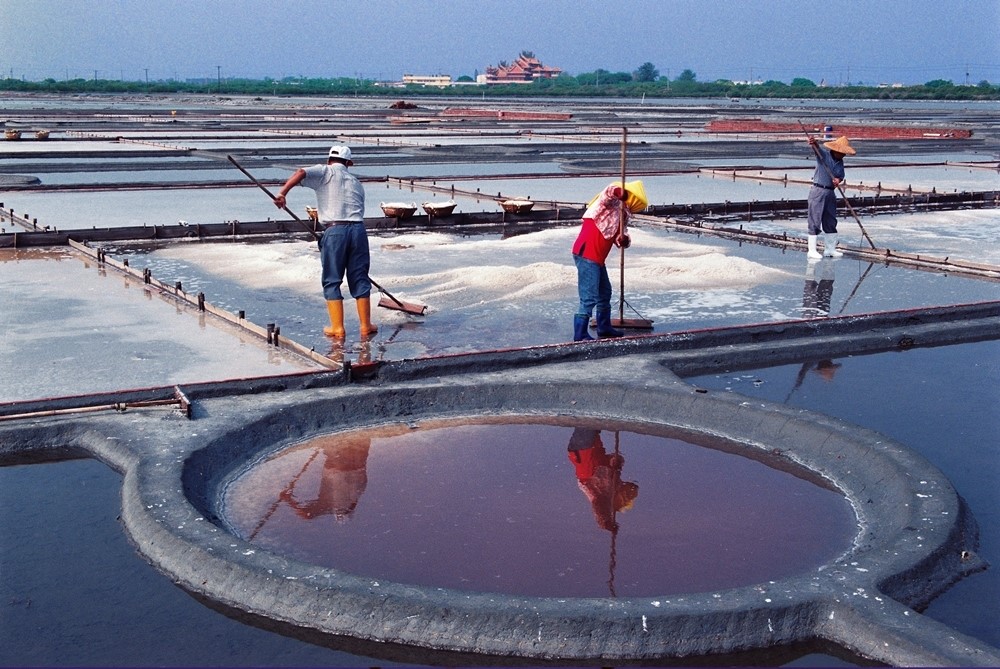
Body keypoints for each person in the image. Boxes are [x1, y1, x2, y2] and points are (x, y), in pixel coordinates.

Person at [273, 145, 377, 339]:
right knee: (360, 277)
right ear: (349, 164)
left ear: (329, 160)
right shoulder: (355, 181)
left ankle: (337, 328)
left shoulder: (325, 171)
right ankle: (365, 326)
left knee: (332, 279)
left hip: (335, 230)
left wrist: (282, 194)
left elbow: (301, 172)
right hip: (358, 231)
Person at [571, 180, 648, 341]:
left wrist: (624, 240)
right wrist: (619, 192)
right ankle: (580, 334)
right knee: (589, 296)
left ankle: (604, 327)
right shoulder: (604, 206)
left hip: (598, 258)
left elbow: (622, 236)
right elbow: (608, 194)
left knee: (604, 292)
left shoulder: (623, 215)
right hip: (587, 254)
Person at [806, 135, 855, 260]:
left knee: (830, 220)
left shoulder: (840, 162)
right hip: (818, 190)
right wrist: (814, 143)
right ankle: (812, 250)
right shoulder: (824, 155)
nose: (843, 155)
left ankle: (830, 249)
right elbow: (816, 148)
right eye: (842, 152)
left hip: (830, 192)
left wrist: (838, 180)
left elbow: (840, 175)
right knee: (815, 220)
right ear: (836, 150)